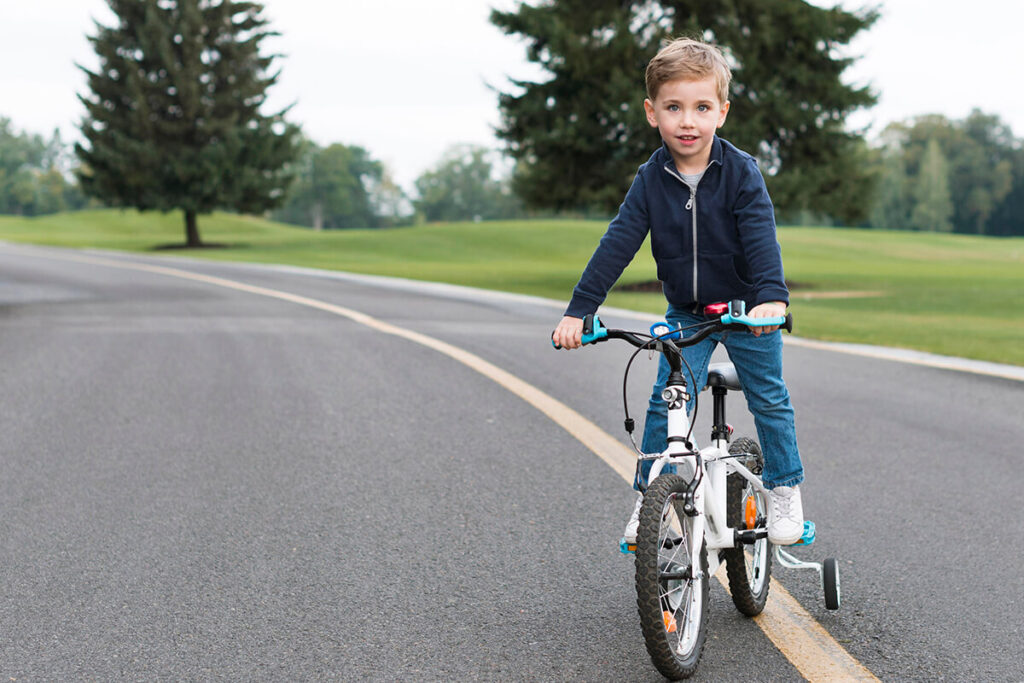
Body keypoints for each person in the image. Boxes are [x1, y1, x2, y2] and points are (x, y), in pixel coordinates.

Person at [550, 37, 805, 546]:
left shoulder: (741, 174)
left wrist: (771, 299)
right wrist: (581, 310)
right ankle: (649, 499)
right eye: (674, 108)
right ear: (652, 113)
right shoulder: (650, 180)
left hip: (747, 309)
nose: (688, 121)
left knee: (769, 398)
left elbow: (760, 237)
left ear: (722, 112)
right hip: (687, 312)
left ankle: (785, 489)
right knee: (665, 401)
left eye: (701, 107)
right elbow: (617, 243)